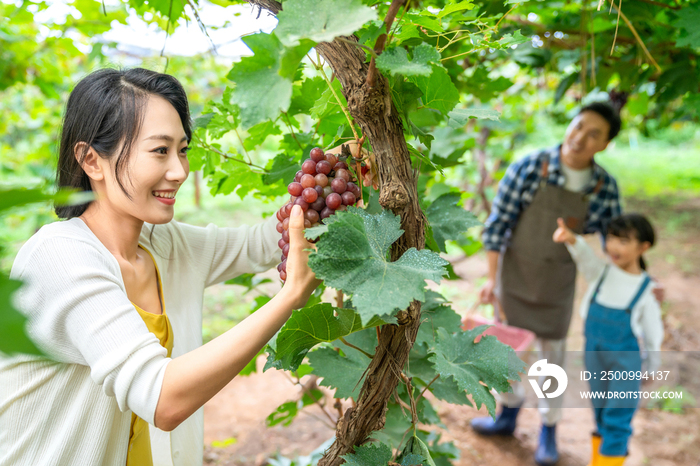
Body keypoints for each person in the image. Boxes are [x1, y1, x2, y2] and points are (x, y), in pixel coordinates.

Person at [0, 68, 319, 466]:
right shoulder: (60, 257)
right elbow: (163, 398)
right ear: (91, 160)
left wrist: (330, 180)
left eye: (182, 150)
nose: (180, 171)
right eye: (160, 150)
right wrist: (289, 298)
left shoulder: (164, 244)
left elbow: (260, 243)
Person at [471, 102, 623, 466]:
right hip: (514, 279)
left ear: (603, 145)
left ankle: (549, 430)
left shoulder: (603, 188)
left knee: (550, 362)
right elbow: (496, 227)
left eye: (594, 134)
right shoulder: (530, 167)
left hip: (557, 286)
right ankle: (507, 416)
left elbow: (615, 245)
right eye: (579, 126)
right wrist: (491, 281)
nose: (580, 138)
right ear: (569, 124)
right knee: (506, 354)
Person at [553, 213, 663, 466]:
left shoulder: (645, 289)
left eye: (623, 241)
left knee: (618, 416)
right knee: (601, 411)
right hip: (595, 356)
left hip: (625, 361)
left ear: (643, 247)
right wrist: (572, 239)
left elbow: (654, 334)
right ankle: (600, 460)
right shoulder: (601, 274)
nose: (613, 246)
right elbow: (585, 257)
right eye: (611, 238)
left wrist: (653, 365)